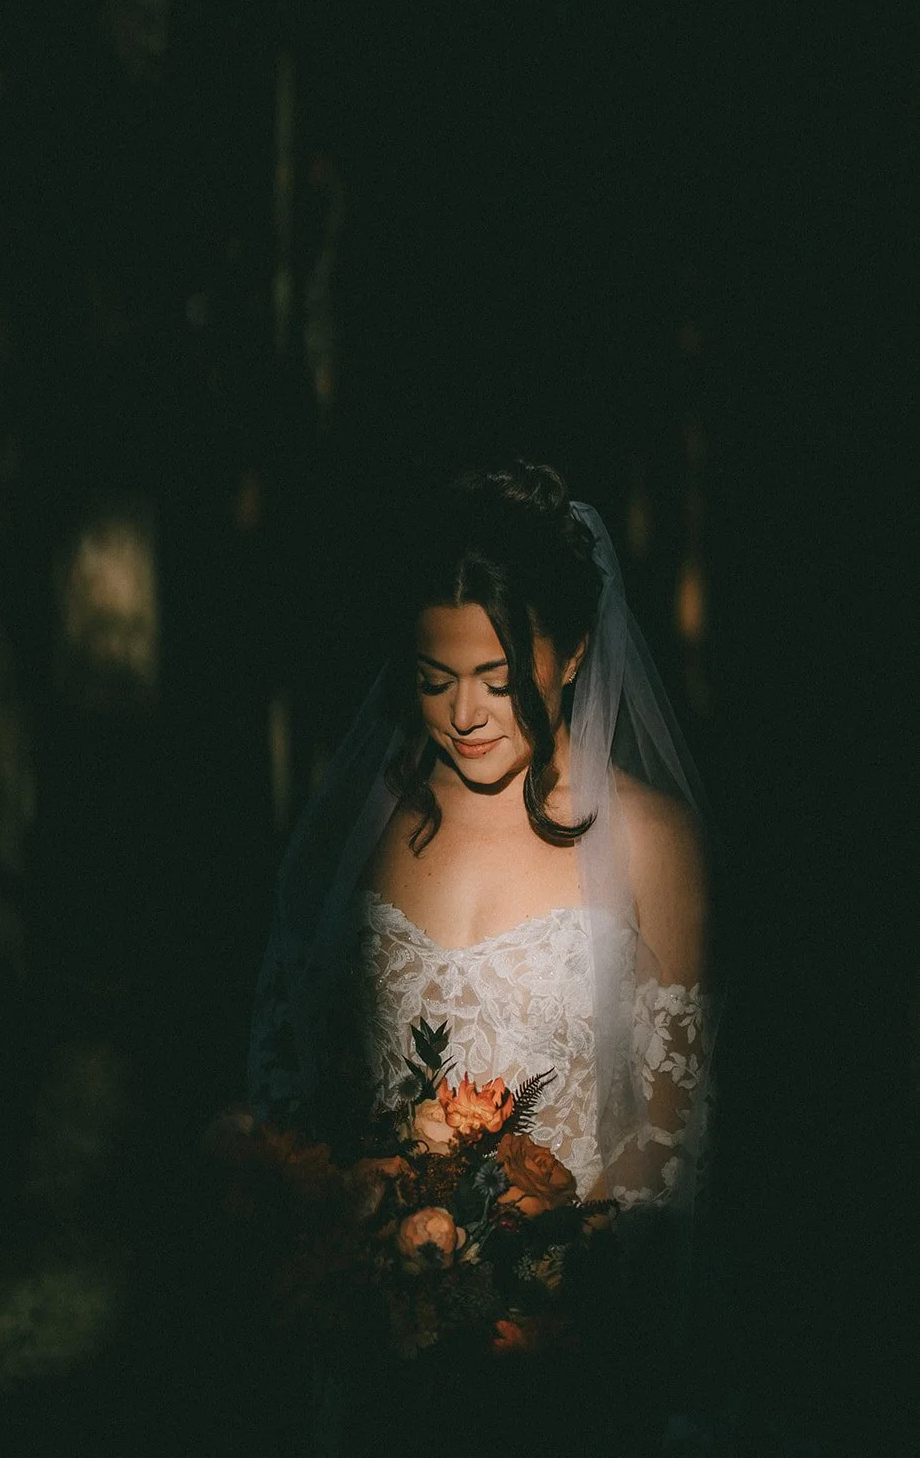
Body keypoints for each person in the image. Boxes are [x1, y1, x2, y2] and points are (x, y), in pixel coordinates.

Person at [247, 460, 717, 1450]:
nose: (462, 711)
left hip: (565, 1330)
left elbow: (667, 1134)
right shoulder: (366, 834)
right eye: (432, 677)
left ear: (576, 651)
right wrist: (347, 1262)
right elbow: (305, 1075)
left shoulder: (647, 841)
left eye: (497, 680)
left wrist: (543, 1295)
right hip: (376, 1328)